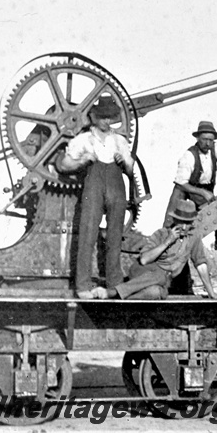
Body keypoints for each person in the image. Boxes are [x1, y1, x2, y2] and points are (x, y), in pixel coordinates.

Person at [57, 94, 135, 299]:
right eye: (102, 117)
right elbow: (64, 165)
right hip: (93, 185)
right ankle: (83, 287)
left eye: (110, 117)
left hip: (117, 185)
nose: (106, 121)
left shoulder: (120, 141)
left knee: (115, 236)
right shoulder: (83, 140)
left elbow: (130, 170)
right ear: (93, 117)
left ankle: (114, 285)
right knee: (87, 233)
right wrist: (83, 160)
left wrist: (123, 162)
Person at [95, 200, 217, 300]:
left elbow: (201, 264)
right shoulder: (161, 234)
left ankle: (120, 296)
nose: (184, 227)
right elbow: (144, 260)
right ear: (175, 220)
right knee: (161, 276)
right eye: (182, 222)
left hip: (160, 283)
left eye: (188, 223)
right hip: (142, 273)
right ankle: (112, 292)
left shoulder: (193, 238)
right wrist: (167, 242)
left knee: (157, 293)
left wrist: (211, 292)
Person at [162, 120, 217, 228]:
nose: (208, 143)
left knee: (204, 220)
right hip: (186, 188)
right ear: (198, 139)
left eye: (210, 140)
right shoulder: (189, 156)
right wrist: (203, 192)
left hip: (205, 191)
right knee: (172, 217)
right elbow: (180, 183)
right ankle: (165, 233)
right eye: (204, 139)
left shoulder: (215, 149)